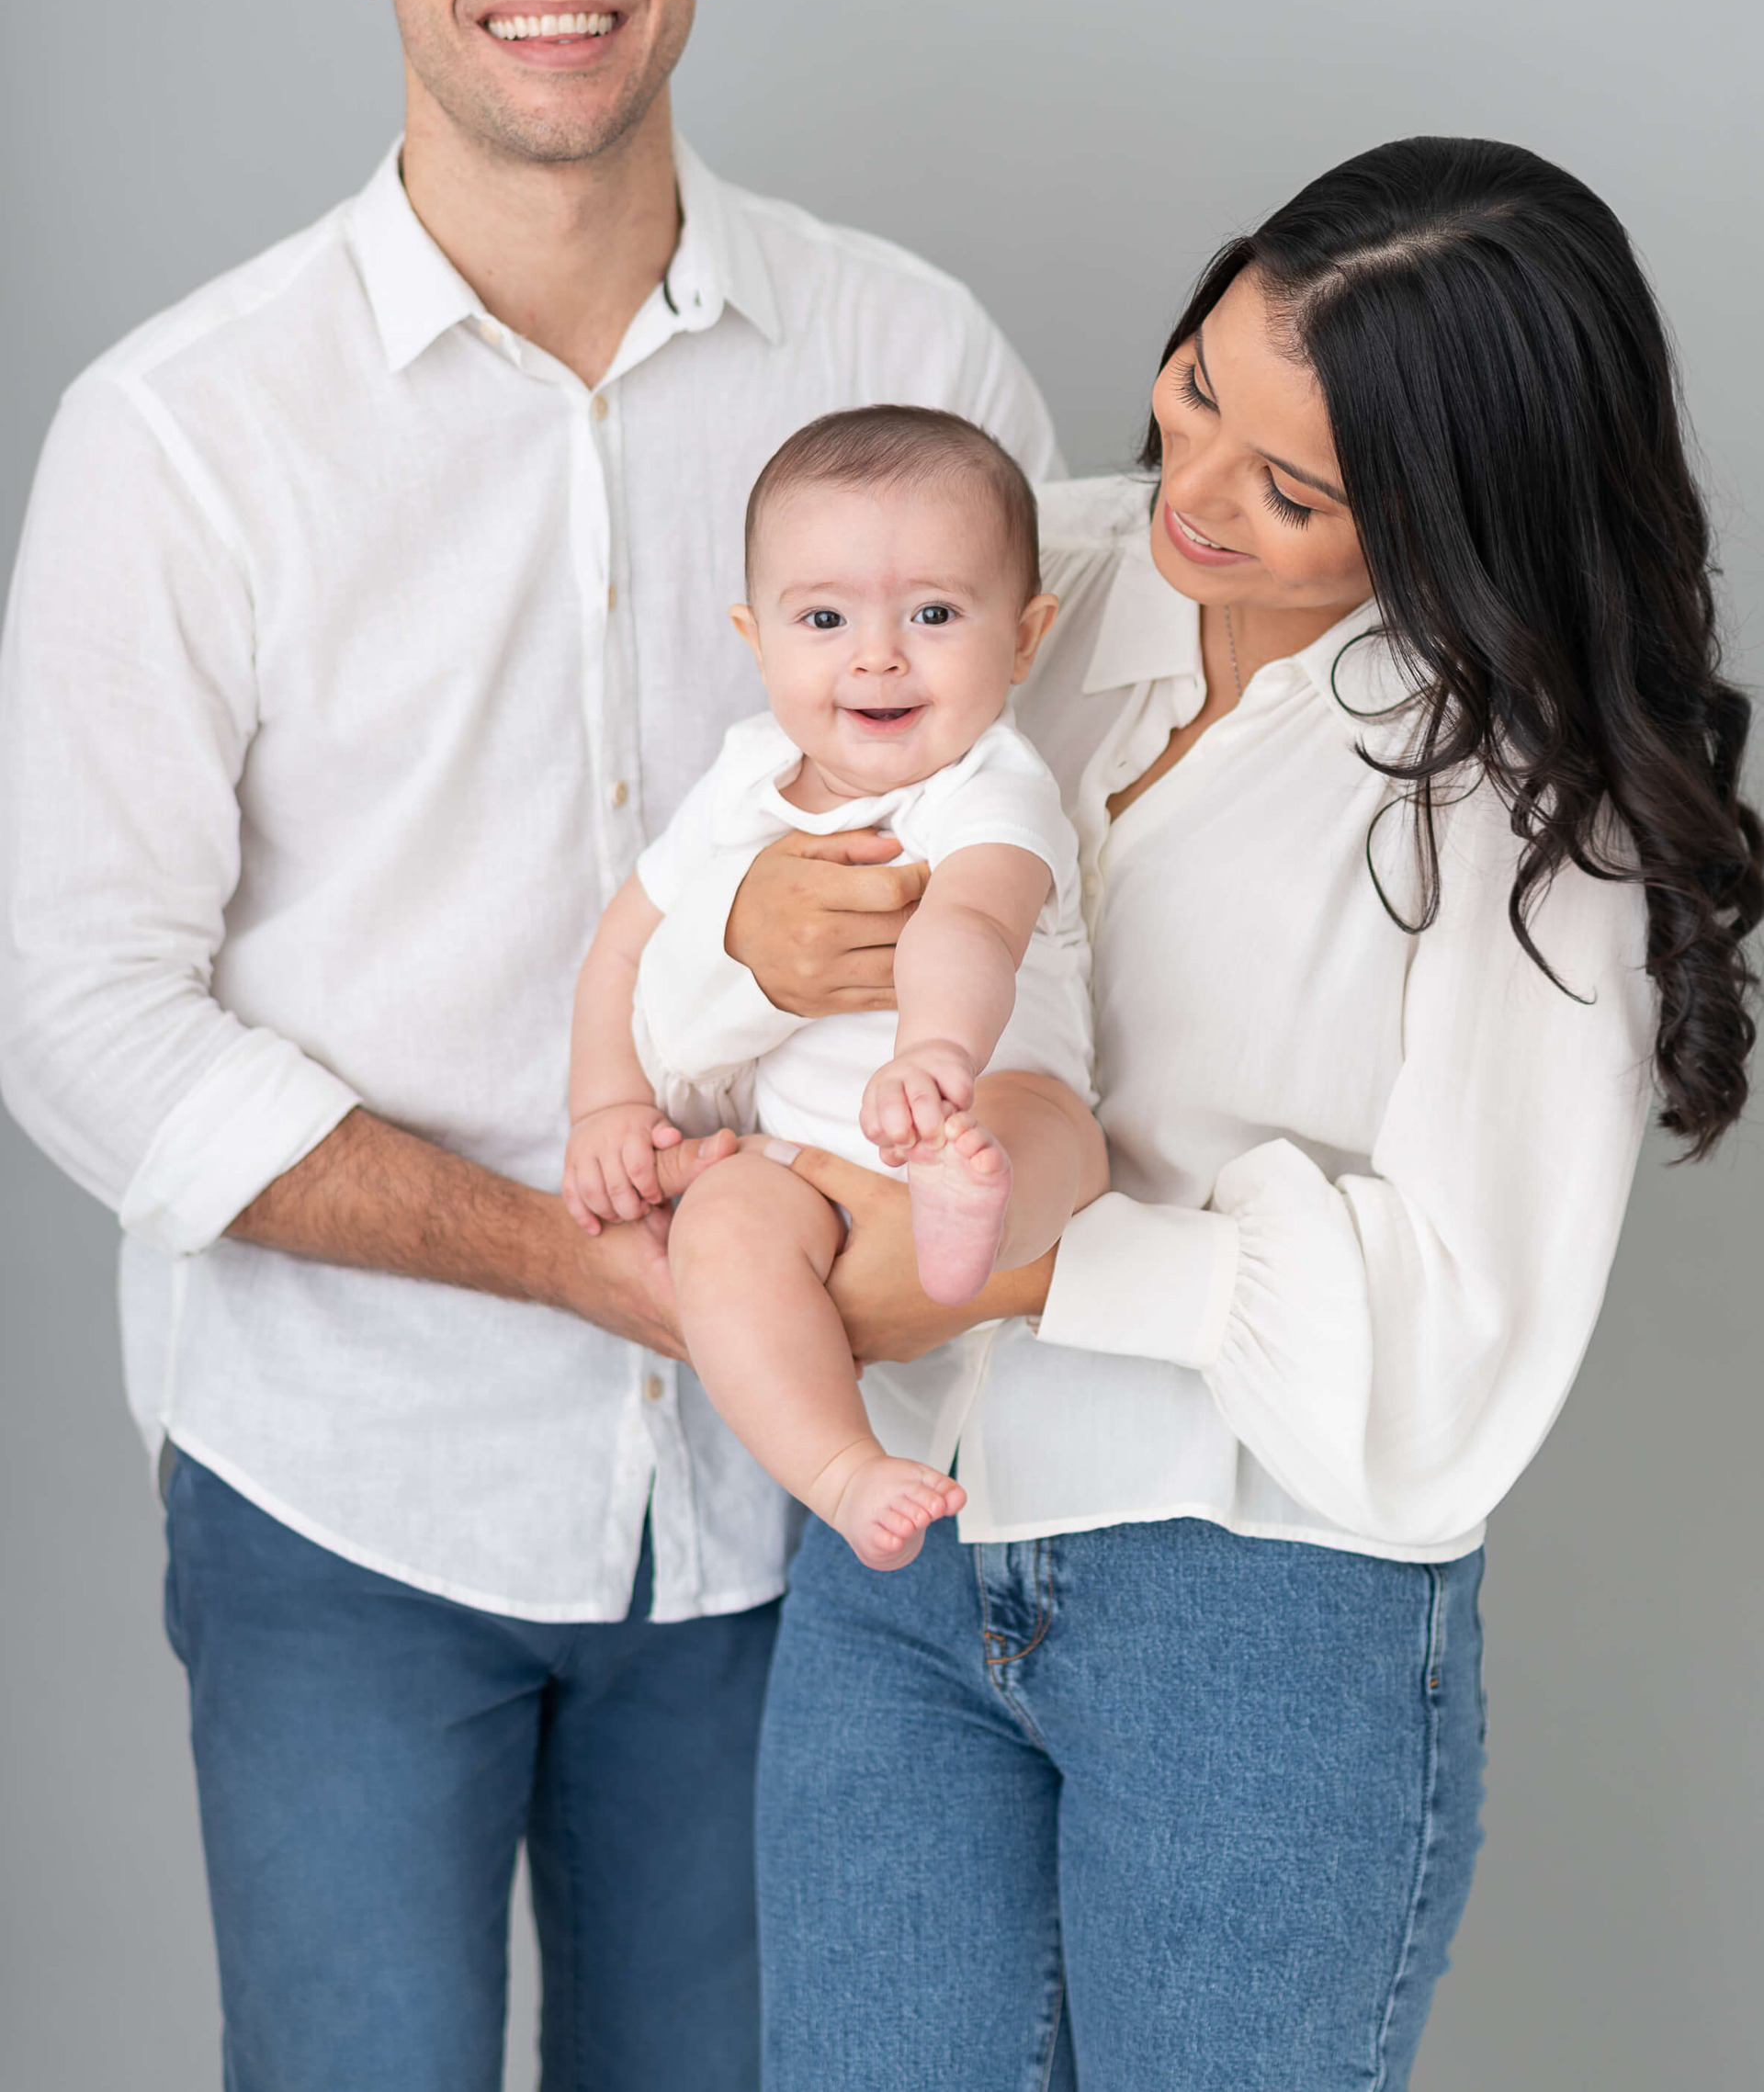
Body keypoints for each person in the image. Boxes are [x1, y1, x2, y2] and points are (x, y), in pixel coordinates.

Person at [0, 0, 1059, 2092]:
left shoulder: (915, 353)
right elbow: (84, 1011)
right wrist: (593, 1276)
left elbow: (1069, 877)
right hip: (342, 1486)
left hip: (815, 1515)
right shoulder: (181, 432)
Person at [649, 136, 1763, 2088]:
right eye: (1199, 389)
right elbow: (680, 927)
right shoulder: (1034, 582)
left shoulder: (1521, 808)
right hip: (899, 1559)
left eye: (1294, 486)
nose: (1193, 492)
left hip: (1256, 1613)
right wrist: (745, 935)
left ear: (1455, 512)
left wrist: (1024, 1275)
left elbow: (1452, 1357)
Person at [566, 407, 1105, 1569]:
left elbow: (972, 920)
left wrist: (939, 1055)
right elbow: (623, 940)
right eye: (824, 618)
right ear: (756, 639)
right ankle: (842, 1466)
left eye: (933, 614)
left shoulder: (987, 784)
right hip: (793, 1162)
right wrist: (606, 1109)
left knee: (1053, 1137)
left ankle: (977, 1220)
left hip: (978, 1094)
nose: (878, 655)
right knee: (720, 1233)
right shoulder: (742, 776)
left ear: (1024, 637)